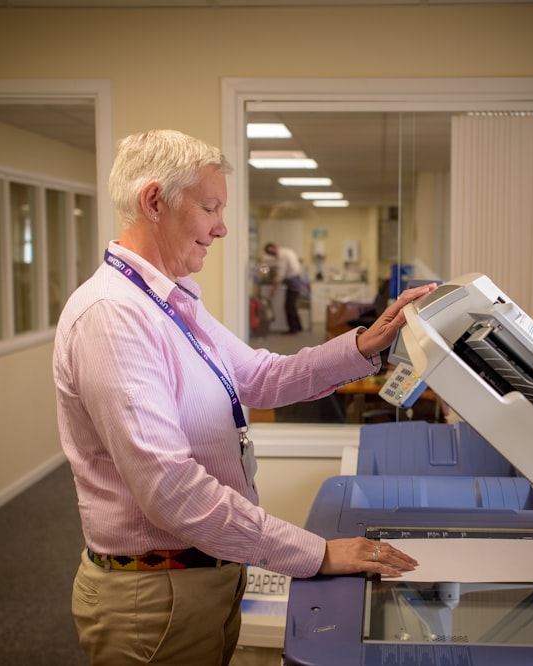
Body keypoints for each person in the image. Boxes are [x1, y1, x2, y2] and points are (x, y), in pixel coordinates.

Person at [52, 129, 437, 665]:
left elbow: (263, 376)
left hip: (202, 577)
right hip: (155, 596)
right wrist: (315, 553)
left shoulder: (168, 301)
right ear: (153, 200)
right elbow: (173, 492)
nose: (222, 227)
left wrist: (363, 345)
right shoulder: (113, 318)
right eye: (210, 207)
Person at [263, 241, 306, 333]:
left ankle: (293, 329)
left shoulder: (281, 255)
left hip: (293, 280)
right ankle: (298, 327)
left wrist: (273, 289)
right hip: (297, 278)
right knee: (292, 306)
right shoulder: (287, 251)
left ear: (274, 247)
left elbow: (280, 274)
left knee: (289, 306)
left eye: (271, 253)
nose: (271, 255)